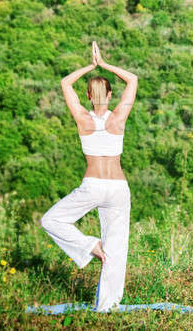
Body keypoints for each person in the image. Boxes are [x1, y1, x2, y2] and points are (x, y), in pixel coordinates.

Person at [40, 41, 138, 313]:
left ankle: (90, 245)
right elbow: (132, 79)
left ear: (87, 94)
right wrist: (104, 64)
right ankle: (107, 307)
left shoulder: (82, 117)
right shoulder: (118, 117)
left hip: (93, 186)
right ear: (109, 95)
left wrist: (90, 66)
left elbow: (64, 83)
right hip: (118, 188)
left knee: (51, 220)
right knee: (116, 249)